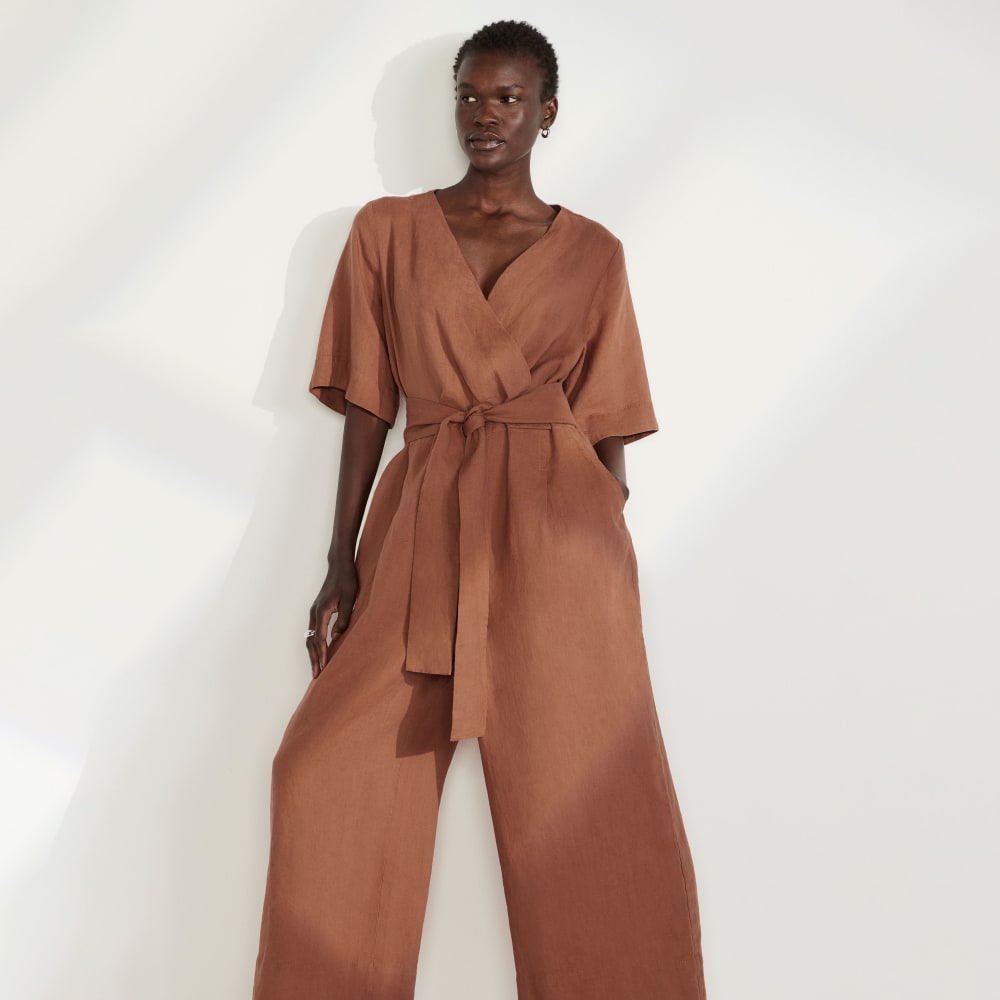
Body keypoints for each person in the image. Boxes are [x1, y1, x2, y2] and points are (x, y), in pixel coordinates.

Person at [252, 19, 707, 1000]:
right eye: (469, 94)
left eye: (507, 98)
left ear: (547, 113)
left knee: (590, 794)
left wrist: (589, 547)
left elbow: (609, 434)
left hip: (557, 544)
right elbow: (370, 404)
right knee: (322, 772)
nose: (484, 114)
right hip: (424, 522)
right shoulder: (386, 232)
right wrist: (340, 561)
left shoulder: (594, 254)